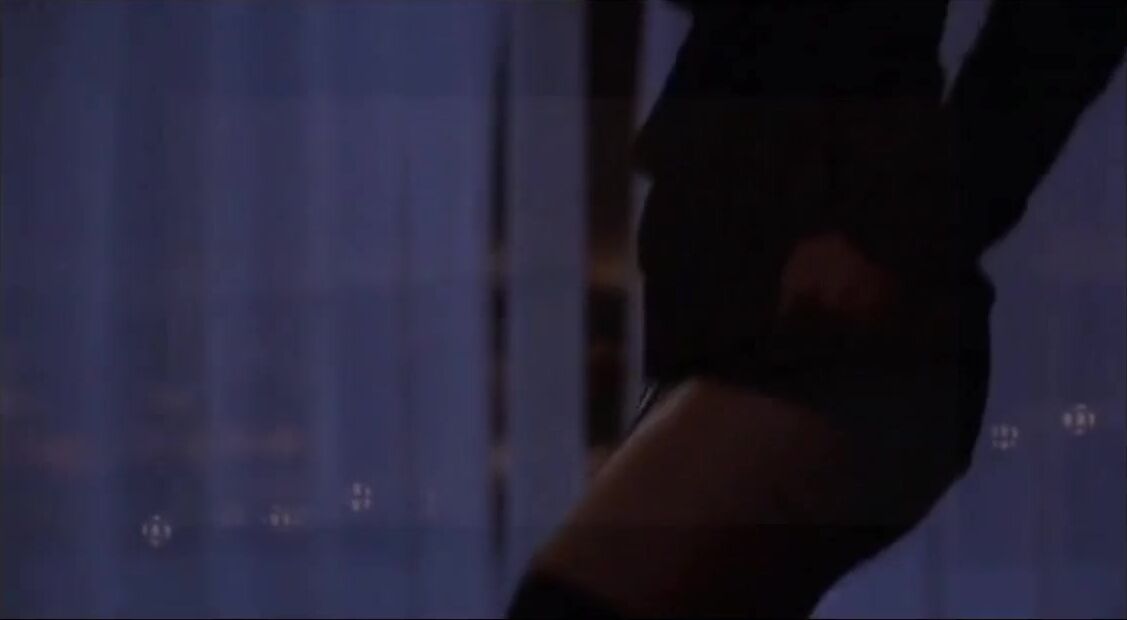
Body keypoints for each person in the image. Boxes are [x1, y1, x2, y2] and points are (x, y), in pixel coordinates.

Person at [509, 1, 1126, 617]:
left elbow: (1067, 26)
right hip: (744, 304)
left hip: (836, 320)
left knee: (571, 603)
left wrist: (893, 237)